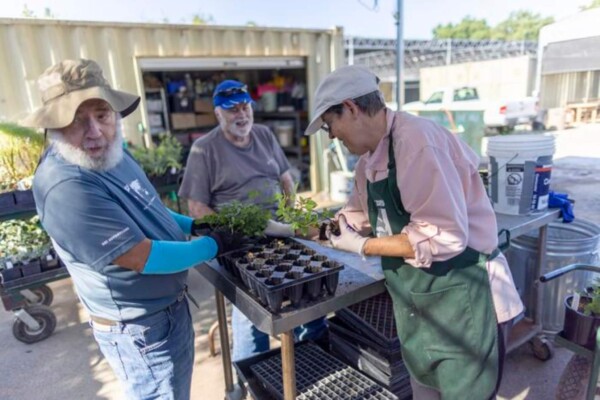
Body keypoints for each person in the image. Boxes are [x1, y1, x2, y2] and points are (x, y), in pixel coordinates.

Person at [23, 59, 241, 400]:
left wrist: (195, 225)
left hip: (166, 310)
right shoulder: (65, 185)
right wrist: (213, 245)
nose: (95, 131)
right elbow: (140, 256)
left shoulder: (110, 154)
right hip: (140, 330)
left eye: (102, 115)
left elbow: (147, 205)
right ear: (53, 126)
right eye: (77, 121)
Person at [305, 65, 524, 400]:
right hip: (423, 306)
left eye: (329, 125)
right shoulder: (370, 161)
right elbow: (354, 217)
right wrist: (305, 230)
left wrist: (364, 245)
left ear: (350, 108)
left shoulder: (417, 142)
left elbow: (444, 235)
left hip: (467, 299)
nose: (331, 136)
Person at [178, 79, 326, 361]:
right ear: (218, 113)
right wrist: (231, 232)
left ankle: (312, 357)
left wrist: (288, 214)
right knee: (252, 312)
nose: (242, 114)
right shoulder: (204, 149)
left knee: (307, 294)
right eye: (232, 110)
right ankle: (249, 372)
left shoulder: (264, 135)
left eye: (245, 107)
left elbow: (286, 179)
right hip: (238, 242)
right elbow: (196, 206)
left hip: (280, 232)